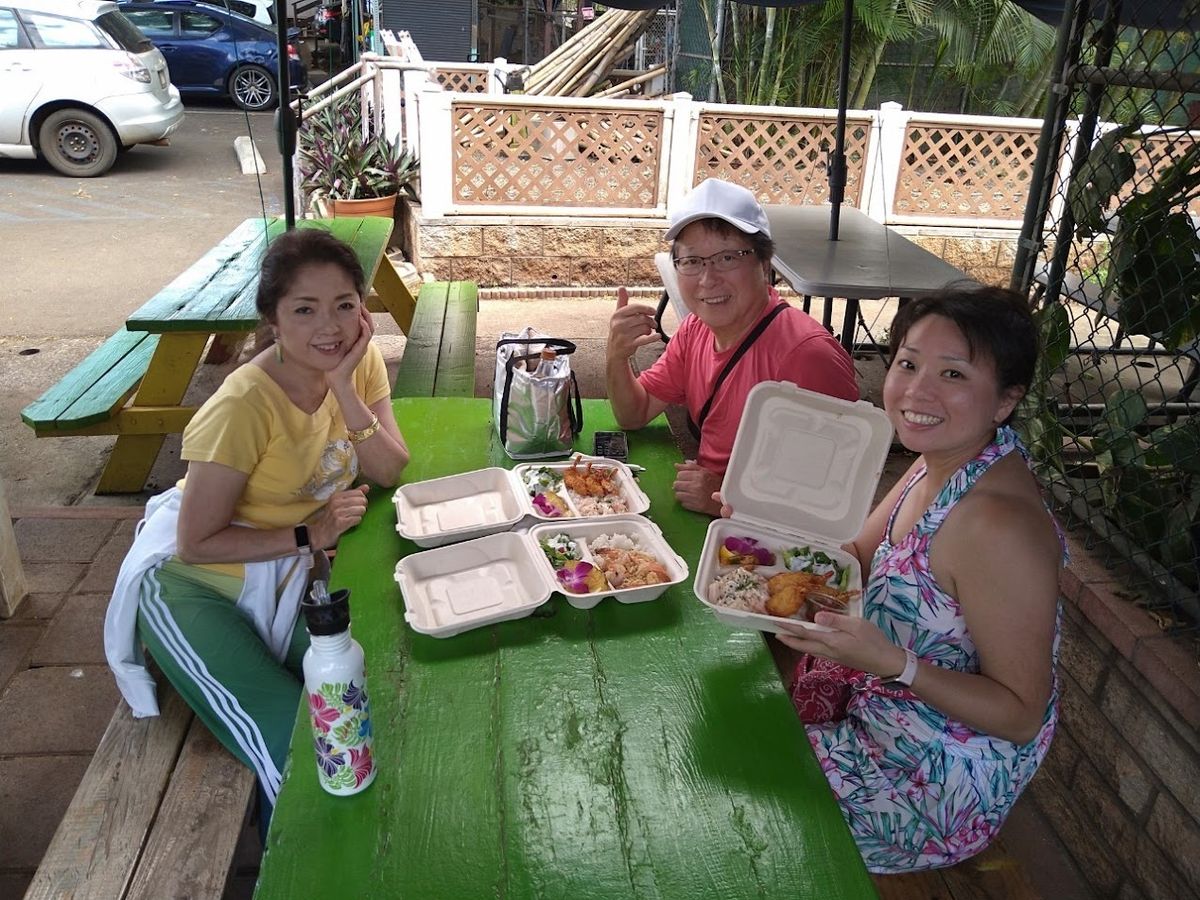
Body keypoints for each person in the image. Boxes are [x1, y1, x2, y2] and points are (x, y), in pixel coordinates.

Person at [103, 228, 409, 810]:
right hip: (195, 586)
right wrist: (313, 533)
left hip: (285, 574)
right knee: (293, 742)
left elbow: (390, 468)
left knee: (360, 699)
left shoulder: (357, 361)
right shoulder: (242, 405)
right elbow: (196, 543)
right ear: (273, 317)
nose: (331, 327)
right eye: (305, 309)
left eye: (345, 305)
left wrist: (343, 388)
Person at [769, 284, 1065, 873]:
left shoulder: (995, 526)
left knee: (728, 798)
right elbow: (856, 555)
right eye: (908, 364)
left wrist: (894, 664)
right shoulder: (941, 461)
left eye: (953, 374)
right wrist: (763, 530)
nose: (916, 391)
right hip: (875, 713)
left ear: (1005, 400)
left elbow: (1020, 715)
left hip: (930, 782)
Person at [607, 179, 859, 516]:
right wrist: (617, 356)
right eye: (692, 261)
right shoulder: (695, 330)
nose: (708, 279)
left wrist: (727, 497)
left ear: (764, 264)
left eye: (727, 258)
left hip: (760, 539)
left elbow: (838, 501)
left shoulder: (807, 356)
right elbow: (633, 414)